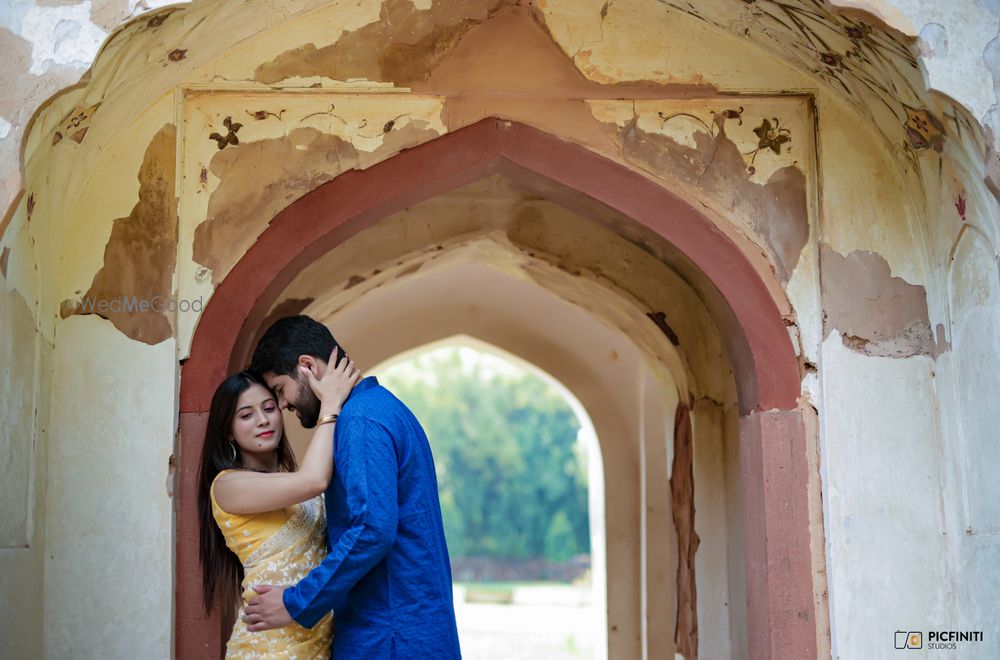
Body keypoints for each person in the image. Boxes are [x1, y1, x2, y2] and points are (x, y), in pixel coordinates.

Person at [243, 315, 462, 659]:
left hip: (390, 638)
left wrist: (296, 601)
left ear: (307, 366)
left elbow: (373, 530)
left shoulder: (361, 421)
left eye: (279, 390)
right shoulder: (380, 407)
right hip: (405, 629)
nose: (282, 405)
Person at [197, 352, 361, 658]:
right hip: (268, 647)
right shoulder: (228, 486)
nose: (262, 420)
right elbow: (314, 480)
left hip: (318, 643)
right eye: (246, 415)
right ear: (227, 431)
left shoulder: (291, 482)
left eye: (269, 408)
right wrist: (330, 403)